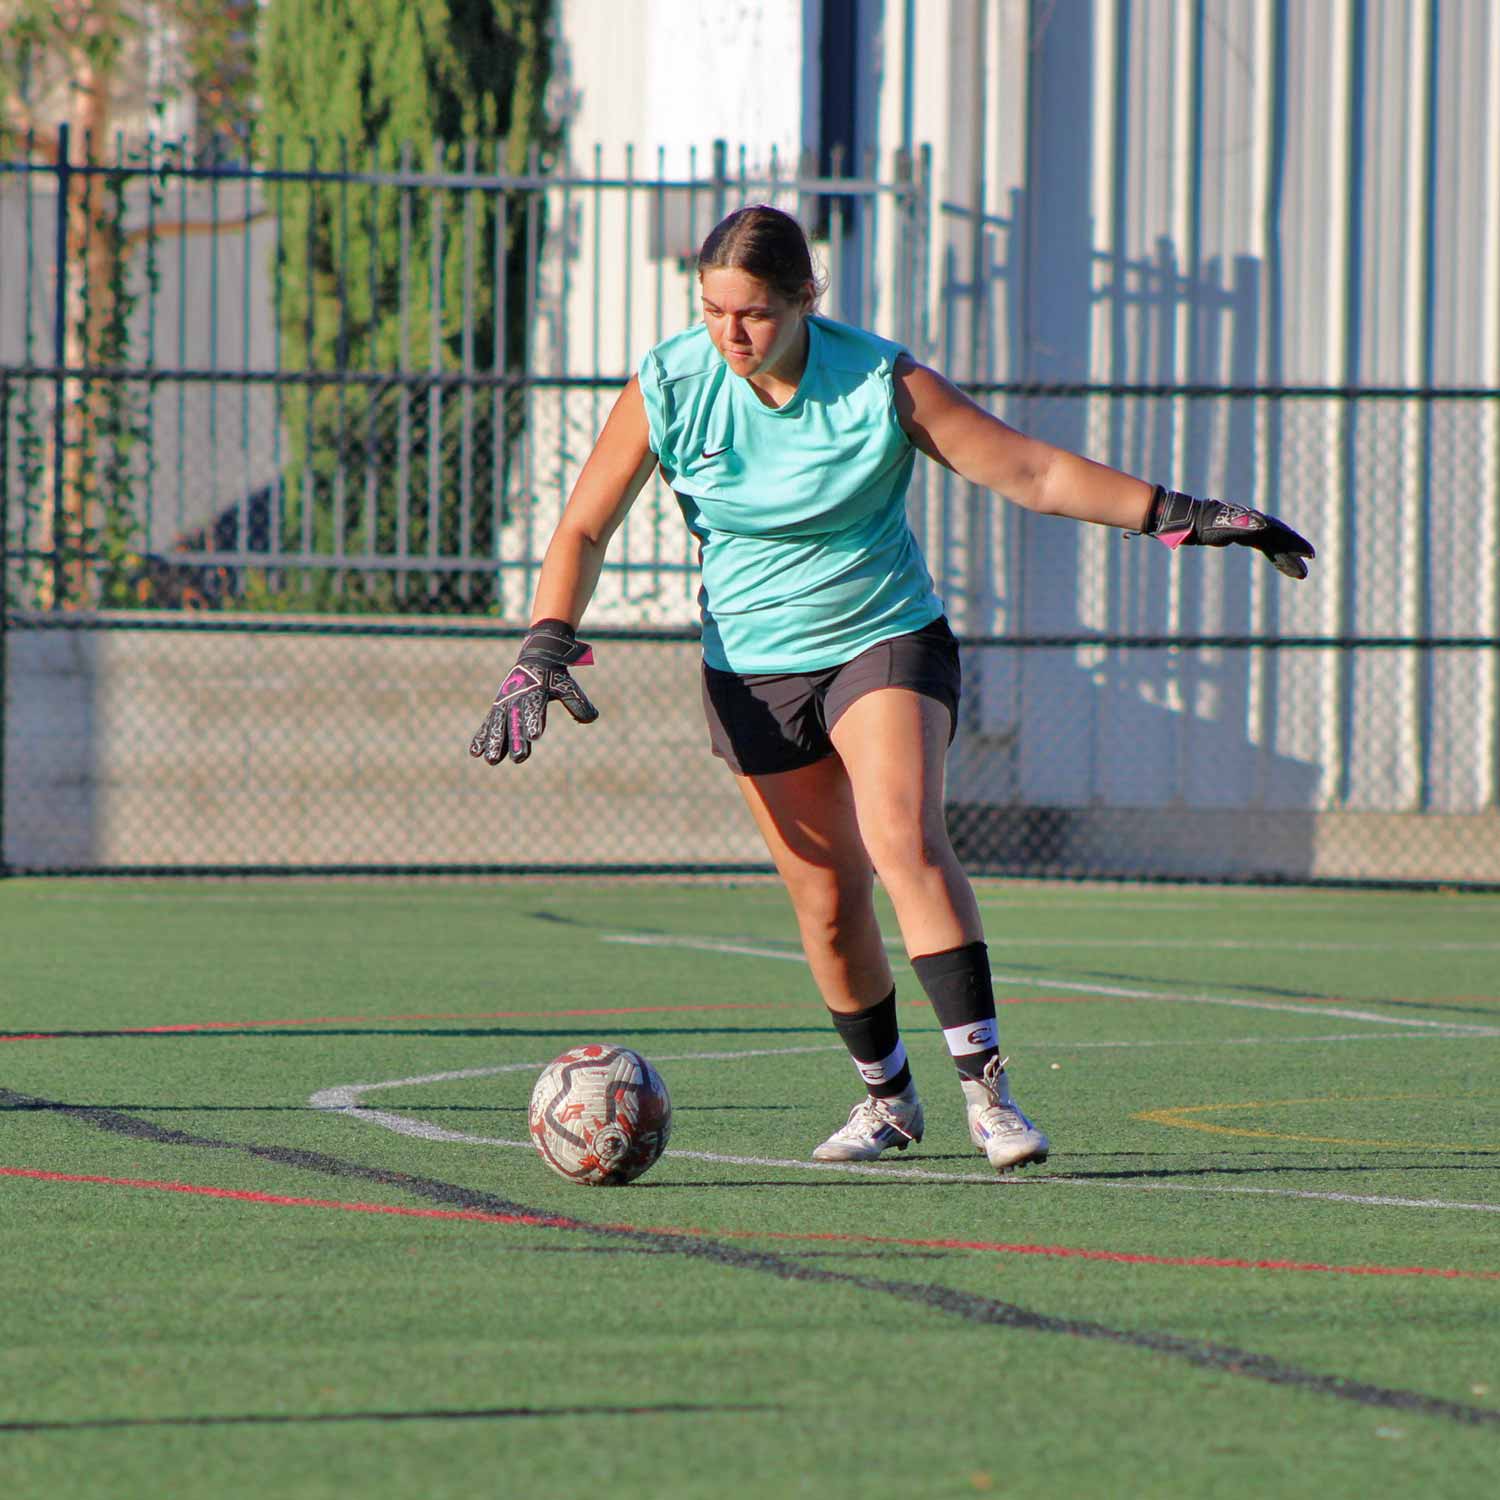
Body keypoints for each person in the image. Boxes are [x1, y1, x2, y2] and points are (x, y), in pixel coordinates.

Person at [470, 205, 1314, 1175]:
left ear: (805, 302)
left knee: (903, 837)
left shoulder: (877, 378)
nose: (731, 334)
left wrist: (1181, 514)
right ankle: (889, 1101)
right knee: (827, 903)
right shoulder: (672, 382)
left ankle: (987, 1094)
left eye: (754, 314)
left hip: (883, 637)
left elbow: (1029, 469)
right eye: (713, 310)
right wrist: (543, 643)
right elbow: (582, 528)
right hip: (751, 666)